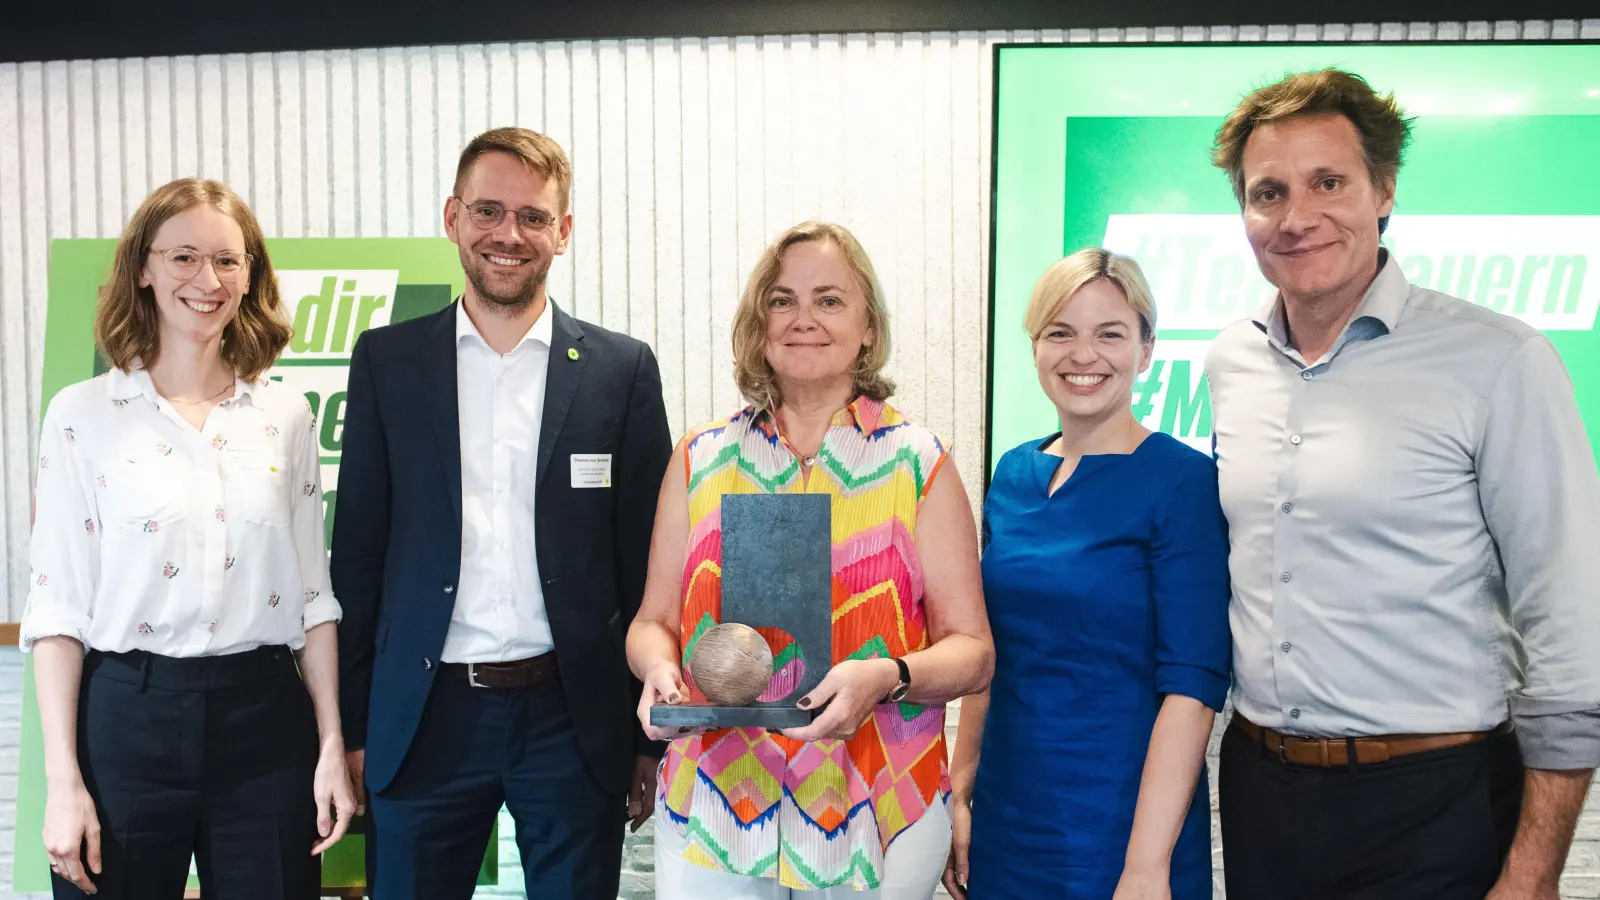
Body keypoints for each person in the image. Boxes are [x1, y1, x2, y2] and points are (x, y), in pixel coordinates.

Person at [1207, 68, 1600, 899]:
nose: (1297, 216)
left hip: (1440, 806)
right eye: (1268, 191)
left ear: (1384, 190)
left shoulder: (1499, 360)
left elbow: (1572, 626)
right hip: (1260, 793)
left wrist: (1533, 874)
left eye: (1328, 182)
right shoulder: (1228, 362)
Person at [331, 126, 673, 900]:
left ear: (564, 232)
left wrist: (640, 739)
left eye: (532, 216)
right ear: (453, 217)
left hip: (571, 716)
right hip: (425, 714)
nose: (508, 235)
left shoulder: (621, 372)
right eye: (489, 211)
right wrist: (356, 728)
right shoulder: (388, 363)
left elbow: (645, 569)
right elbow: (358, 555)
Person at [627, 220, 995, 900]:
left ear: (868, 327)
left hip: (879, 794)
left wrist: (888, 674)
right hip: (717, 797)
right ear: (757, 321)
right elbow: (653, 620)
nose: (804, 318)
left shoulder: (920, 464)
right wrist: (657, 670)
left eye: (829, 299)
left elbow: (973, 651)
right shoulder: (700, 459)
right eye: (782, 299)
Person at [22, 178, 355, 899]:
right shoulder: (81, 415)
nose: (207, 281)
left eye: (228, 262)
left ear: (250, 276)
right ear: (143, 266)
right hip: (127, 723)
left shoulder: (284, 415)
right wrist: (62, 781)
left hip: (266, 724)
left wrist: (330, 746)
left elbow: (313, 598)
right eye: (183, 257)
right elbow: (56, 611)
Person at [941, 249, 1231, 900]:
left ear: (1147, 348)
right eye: (1060, 333)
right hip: (1009, 816)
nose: (1083, 355)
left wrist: (1147, 867)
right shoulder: (1014, 474)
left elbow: (1193, 687)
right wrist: (960, 786)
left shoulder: (1182, 482)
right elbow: (988, 650)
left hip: (1125, 827)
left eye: (1110, 334)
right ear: (1036, 345)